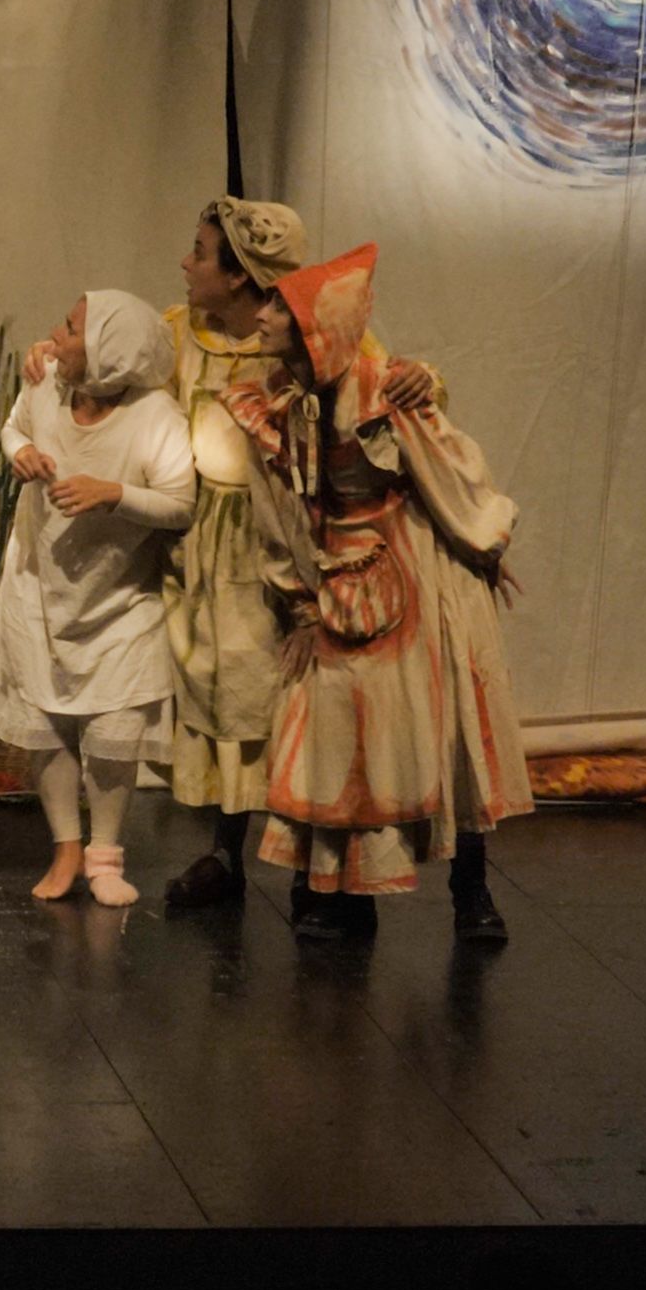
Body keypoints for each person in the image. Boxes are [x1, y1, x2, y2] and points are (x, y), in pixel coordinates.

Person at [222, 244, 532, 941]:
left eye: (280, 307)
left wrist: (484, 545)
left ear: (315, 327)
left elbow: (451, 469)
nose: (263, 316)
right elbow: (276, 514)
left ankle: (472, 891)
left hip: (417, 570)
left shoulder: (381, 392)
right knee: (337, 730)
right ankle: (342, 895)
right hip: (336, 574)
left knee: (447, 725)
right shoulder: (271, 404)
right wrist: (300, 600)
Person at [20, 198, 305, 909]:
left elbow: (375, 377)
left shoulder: (294, 333)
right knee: (217, 697)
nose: (185, 262)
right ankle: (225, 852)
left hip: (275, 534)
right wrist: (49, 355)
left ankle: (314, 865)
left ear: (238, 275)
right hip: (199, 543)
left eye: (200, 253)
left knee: (288, 697)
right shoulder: (182, 333)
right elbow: (110, 365)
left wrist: (417, 382)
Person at [0, 290, 197, 906]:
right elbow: (14, 428)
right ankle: (66, 848)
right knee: (46, 722)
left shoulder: (155, 416)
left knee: (112, 729)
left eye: (73, 328)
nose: (56, 334)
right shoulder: (47, 383)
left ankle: (105, 856)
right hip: (39, 582)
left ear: (109, 349)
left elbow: (180, 503)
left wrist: (114, 493)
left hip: (118, 596)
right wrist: (21, 452)